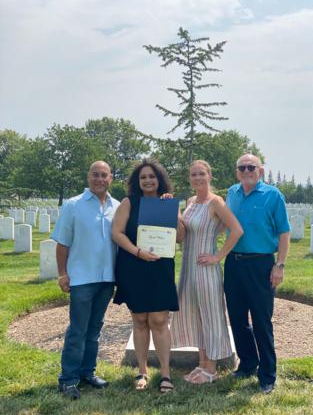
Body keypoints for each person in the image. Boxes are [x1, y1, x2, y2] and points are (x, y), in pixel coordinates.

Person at [51, 161, 120, 400]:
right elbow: (62, 243)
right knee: (78, 331)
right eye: (95, 175)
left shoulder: (117, 207)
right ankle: (68, 380)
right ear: (88, 176)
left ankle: (87, 372)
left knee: (94, 329)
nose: (100, 179)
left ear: (111, 178)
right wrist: (62, 273)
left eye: (104, 175)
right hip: (82, 279)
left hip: (106, 279)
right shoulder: (73, 205)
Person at [170, 160, 243, 384]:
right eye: (193, 174)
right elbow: (182, 232)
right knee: (194, 315)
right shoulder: (190, 202)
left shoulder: (216, 202)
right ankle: (201, 364)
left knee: (210, 315)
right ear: (189, 178)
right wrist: (171, 210)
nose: (198, 178)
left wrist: (217, 256)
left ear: (209, 176)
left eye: (202, 174)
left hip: (205, 268)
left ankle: (211, 369)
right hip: (188, 268)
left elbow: (237, 230)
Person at [224, 153, 290, 395]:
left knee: (262, 321)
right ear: (237, 171)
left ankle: (267, 374)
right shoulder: (231, 193)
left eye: (251, 167)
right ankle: (248, 363)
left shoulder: (273, 195)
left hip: (261, 264)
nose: (246, 170)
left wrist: (279, 265)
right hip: (233, 263)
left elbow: (284, 232)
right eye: (242, 167)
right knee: (237, 318)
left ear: (260, 171)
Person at [112, 159, 179, 393]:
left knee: (160, 321)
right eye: (143, 177)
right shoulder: (129, 203)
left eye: (152, 176)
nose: (148, 180)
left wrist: (173, 212)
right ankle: (142, 371)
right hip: (134, 267)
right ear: (137, 182)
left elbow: (180, 237)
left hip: (160, 269)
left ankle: (165, 374)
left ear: (159, 179)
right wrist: (138, 252)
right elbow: (117, 233)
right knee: (140, 320)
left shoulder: (167, 203)